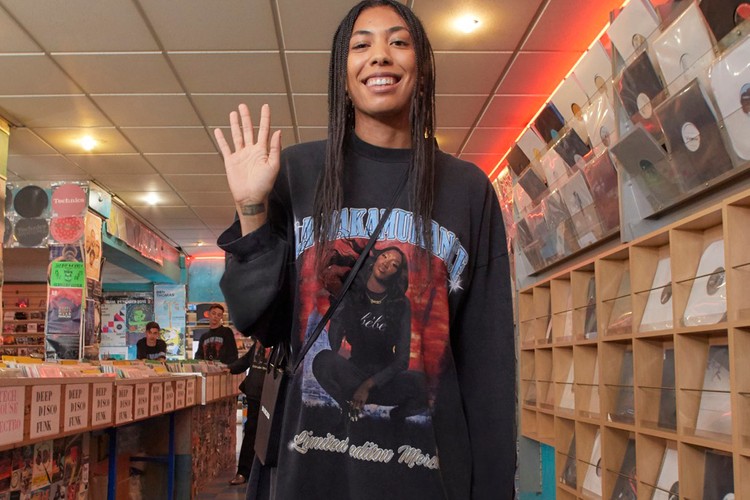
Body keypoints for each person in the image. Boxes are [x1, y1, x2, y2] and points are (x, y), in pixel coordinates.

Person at [216, 1, 516, 499]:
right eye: (362, 45)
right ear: (343, 74)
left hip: (425, 476)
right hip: (308, 473)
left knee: (418, 383)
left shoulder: (467, 189)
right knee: (324, 365)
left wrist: (493, 487)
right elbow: (256, 319)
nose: (380, 55)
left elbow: (488, 362)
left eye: (398, 42)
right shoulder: (297, 172)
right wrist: (252, 206)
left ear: (422, 69)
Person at [226, 338, 267, 486]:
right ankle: (243, 472)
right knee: (251, 432)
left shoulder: (280, 343)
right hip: (255, 393)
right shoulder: (258, 343)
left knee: (269, 433)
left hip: (272, 394)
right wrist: (229, 368)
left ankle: (263, 474)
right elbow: (245, 361)